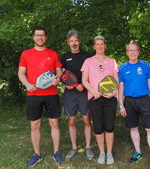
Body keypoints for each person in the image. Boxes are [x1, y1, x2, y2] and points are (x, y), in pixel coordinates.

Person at [18, 26, 63, 167]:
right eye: (37, 35)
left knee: (54, 123)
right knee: (34, 125)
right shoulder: (26, 54)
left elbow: (59, 72)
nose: (40, 37)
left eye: (42, 35)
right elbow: (21, 73)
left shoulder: (53, 54)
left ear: (46, 37)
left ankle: (56, 152)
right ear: (33, 37)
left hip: (51, 93)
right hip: (33, 94)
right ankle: (37, 154)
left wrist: (58, 78)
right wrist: (27, 84)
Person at [118, 40, 150, 169]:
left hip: (144, 100)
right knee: (133, 127)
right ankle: (138, 152)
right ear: (127, 52)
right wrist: (121, 105)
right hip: (129, 101)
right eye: (130, 50)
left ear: (138, 51)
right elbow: (121, 87)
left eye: (135, 50)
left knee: (149, 128)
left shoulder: (145, 65)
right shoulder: (122, 68)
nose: (133, 53)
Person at [81, 35, 118, 165]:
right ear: (94, 46)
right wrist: (93, 91)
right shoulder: (88, 61)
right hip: (94, 98)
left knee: (109, 126)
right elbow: (84, 80)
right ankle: (102, 152)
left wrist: (113, 92)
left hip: (110, 98)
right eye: (97, 44)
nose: (100, 46)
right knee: (98, 126)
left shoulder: (112, 61)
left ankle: (109, 152)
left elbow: (116, 80)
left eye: (102, 44)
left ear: (105, 46)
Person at [61, 29, 94, 160]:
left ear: (79, 41)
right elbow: (63, 75)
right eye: (71, 41)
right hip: (70, 93)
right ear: (68, 42)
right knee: (72, 120)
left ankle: (88, 147)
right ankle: (74, 147)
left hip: (85, 92)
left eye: (76, 40)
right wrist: (69, 85)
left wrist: (84, 85)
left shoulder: (87, 56)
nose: (74, 43)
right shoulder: (64, 57)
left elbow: (91, 74)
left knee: (86, 119)